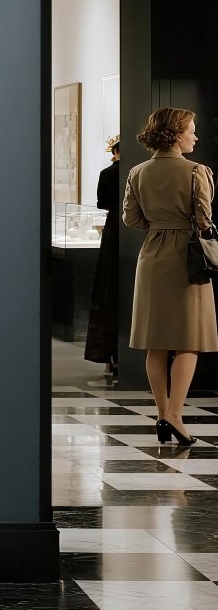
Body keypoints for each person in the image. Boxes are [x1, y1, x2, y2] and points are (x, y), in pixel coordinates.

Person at [123, 108, 218, 444]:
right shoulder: (196, 171)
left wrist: (160, 226)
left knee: (156, 341)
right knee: (188, 340)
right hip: (187, 259)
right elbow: (204, 220)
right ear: (177, 135)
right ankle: (175, 415)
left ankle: (162, 415)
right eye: (192, 131)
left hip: (151, 256)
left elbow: (131, 219)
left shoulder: (137, 171)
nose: (195, 136)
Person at [85, 136, 120, 384]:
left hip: (114, 230)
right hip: (132, 231)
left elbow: (104, 204)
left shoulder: (107, 173)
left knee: (108, 287)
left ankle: (110, 359)